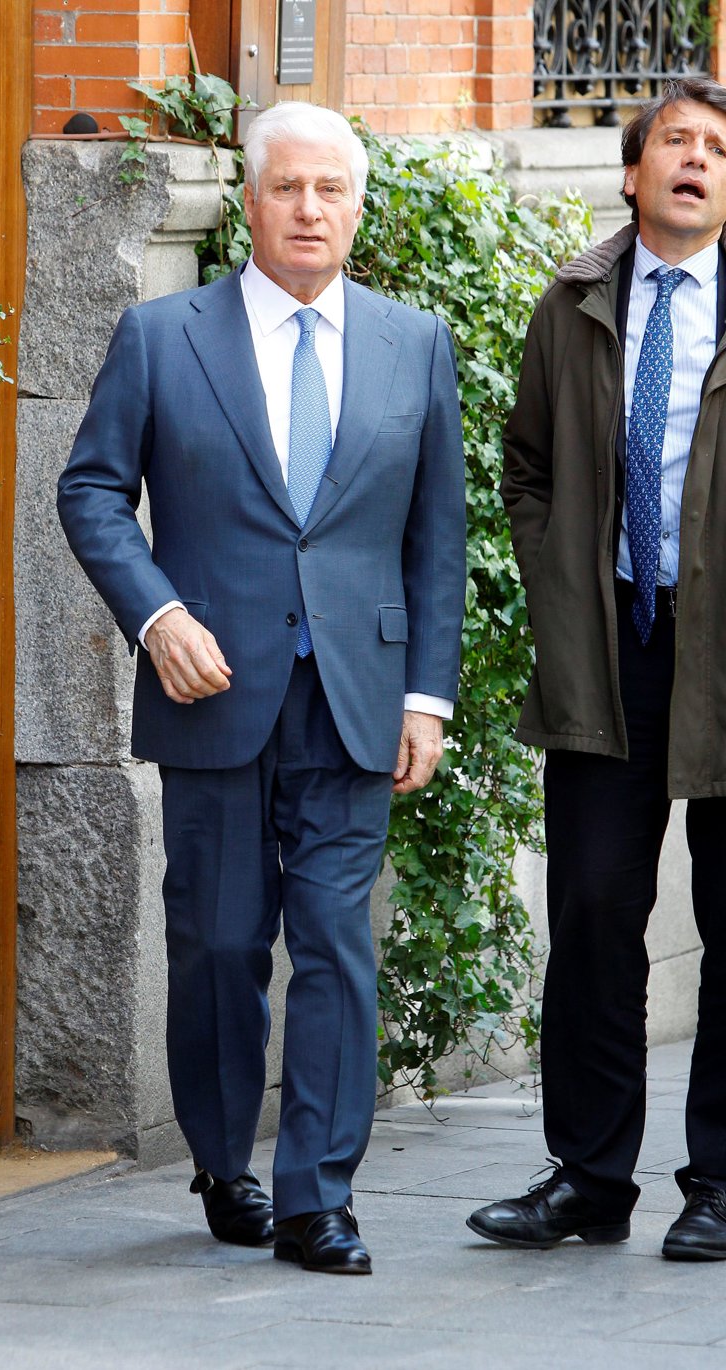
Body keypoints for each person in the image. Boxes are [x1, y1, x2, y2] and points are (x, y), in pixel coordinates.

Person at [58, 101, 465, 1275]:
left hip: (355, 694)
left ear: (356, 209)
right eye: (286, 187)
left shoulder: (412, 343)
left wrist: (426, 696)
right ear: (248, 203)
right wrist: (157, 614)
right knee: (219, 944)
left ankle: (316, 1196)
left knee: (334, 941)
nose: (307, 209)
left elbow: (435, 534)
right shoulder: (161, 335)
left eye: (329, 190)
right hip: (211, 689)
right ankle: (223, 1160)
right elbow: (90, 491)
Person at [466, 76, 726, 1262]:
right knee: (589, 909)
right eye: (675, 139)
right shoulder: (569, 303)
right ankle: (587, 1175)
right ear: (632, 173)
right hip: (606, 641)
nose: (695, 157)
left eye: (716, 146)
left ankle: (717, 1180)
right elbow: (524, 464)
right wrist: (560, 581)